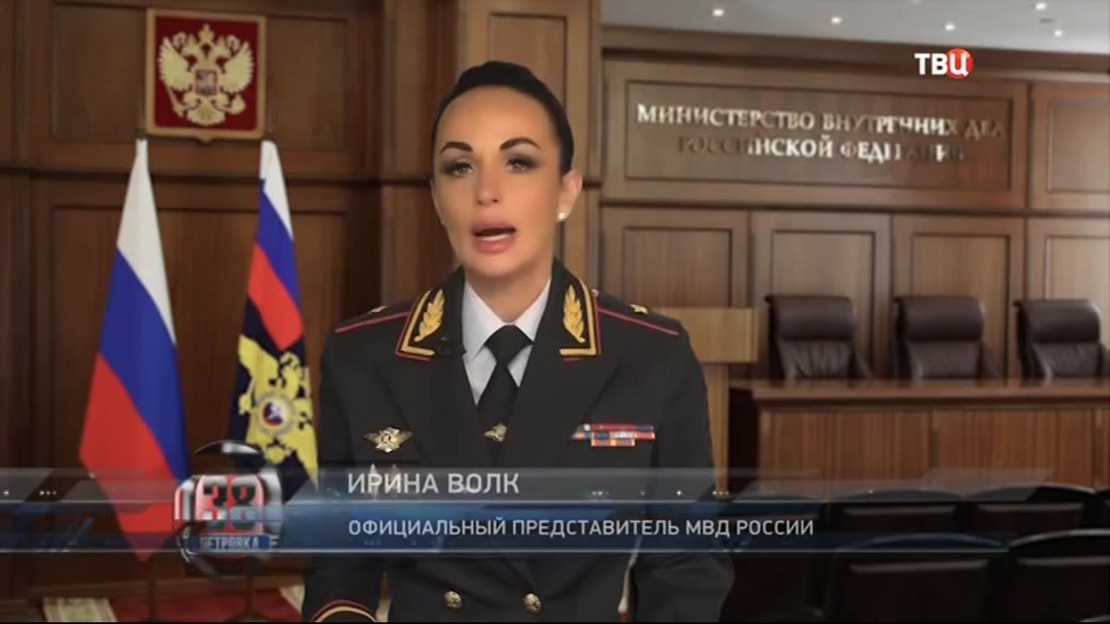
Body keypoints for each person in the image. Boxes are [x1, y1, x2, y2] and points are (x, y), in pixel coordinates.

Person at [301, 60, 733, 622]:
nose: (487, 192)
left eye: (519, 162)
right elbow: (340, 561)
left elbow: (685, 565)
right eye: (460, 167)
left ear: (566, 191)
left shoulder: (651, 354)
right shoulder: (363, 354)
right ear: (436, 197)